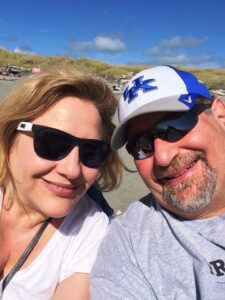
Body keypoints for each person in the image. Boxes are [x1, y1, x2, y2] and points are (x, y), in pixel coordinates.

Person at [91, 65, 225, 299]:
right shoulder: (129, 245)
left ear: (220, 116)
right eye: (141, 146)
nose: (163, 157)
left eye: (174, 126)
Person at [0, 68, 122, 299]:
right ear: (10, 138)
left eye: (91, 151)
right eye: (52, 143)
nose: (72, 170)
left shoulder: (90, 230)